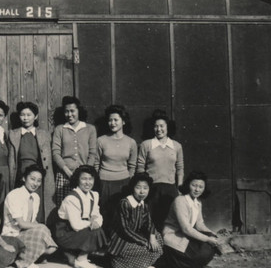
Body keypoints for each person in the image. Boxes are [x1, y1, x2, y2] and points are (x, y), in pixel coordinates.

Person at [2, 164, 57, 268]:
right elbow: (22, 223)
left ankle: (26, 254)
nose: (35, 183)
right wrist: (41, 227)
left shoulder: (36, 197)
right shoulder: (14, 195)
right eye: (32, 179)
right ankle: (24, 260)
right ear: (24, 178)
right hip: (13, 234)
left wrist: (43, 229)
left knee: (52, 249)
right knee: (41, 229)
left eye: (38, 180)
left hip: (27, 233)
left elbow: (32, 220)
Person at [136, 109, 184, 232]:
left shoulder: (176, 146)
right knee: (151, 221)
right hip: (152, 188)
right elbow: (140, 167)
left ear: (168, 127)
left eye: (162, 126)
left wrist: (179, 188)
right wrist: (142, 187)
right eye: (156, 126)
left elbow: (180, 168)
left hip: (170, 188)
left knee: (169, 222)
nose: (159, 129)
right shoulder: (146, 145)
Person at [162, 171, 218, 268]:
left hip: (186, 236)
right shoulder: (180, 200)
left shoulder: (197, 202)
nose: (197, 189)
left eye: (200, 187)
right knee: (205, 248)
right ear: (188, 185)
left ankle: (194, 263)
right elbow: (186, 229)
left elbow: (200, 225)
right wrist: (207, 239)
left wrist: (213, 235)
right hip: (174, 237)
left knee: (211, 244)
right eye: (194, 185)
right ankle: (173, 263)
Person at [8, 102, 54, 224]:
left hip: (37, 175)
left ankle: (38, 230)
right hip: (21, 174)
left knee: (37, 203)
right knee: (21, 203)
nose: (25, 118)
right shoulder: (13, 134)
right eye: (22, 115)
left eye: (29, 115)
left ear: (36, 116)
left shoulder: (44, 134)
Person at [108, 173, 163, 268]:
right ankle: (121, 264)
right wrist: (144, 241)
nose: (142, 191)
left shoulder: (143, 204)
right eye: (138, 187)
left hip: (134, 237)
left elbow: (149, 222)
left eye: (145, 188)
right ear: (132, 188)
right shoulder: (125, 203)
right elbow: (125, 229)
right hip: (121, 240)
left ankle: (143, 264)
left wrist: (151, 237)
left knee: (158, 239)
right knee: (147, 246)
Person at [95, 105, 137, 236]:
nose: (112, 123)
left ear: (123, 121)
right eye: (110, 120)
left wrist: (127, 180)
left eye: (115, 120)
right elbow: (96, 163)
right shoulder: (101, 140)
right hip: (104, 183)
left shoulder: (131, 142)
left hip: (123, 184)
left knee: (121, 216)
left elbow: (132, 165)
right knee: (104, 214)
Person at [54, 165, 107, 268]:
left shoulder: (93, 195)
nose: (87, 182)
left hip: (77, 230)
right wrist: (91, 223)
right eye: (83, 179)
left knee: (97, 228)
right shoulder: (72, 198)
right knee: (95, 231)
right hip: (65, 233)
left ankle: (71, 255)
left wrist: (96, 221)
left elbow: (97, 215)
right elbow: (76, 225)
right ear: (77, 180)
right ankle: (81, 259)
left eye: (90, 179)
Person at [52, 96, 97, 206]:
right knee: (65, 206)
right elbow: (55, 153)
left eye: (72, 111)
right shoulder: (60, 129)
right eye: (66, 111)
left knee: (83, 205)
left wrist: (85, 172)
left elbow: (92, 153)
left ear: (79, 111)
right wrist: (67, 171)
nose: (69, 114)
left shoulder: (90, 129)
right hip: (65, 175)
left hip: (85, 176)